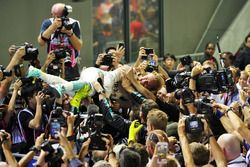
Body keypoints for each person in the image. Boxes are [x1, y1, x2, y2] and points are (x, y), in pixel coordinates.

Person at [37, 3, 82, 81]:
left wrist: (69, 33)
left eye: (61, 16)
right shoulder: (48, 23)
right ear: (52, 15)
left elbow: (78, 46)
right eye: (56, 16)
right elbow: (41, 42)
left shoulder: (73, 23)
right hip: (53, 62)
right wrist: (52, 27)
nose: (59, 19)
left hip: (70, 63)